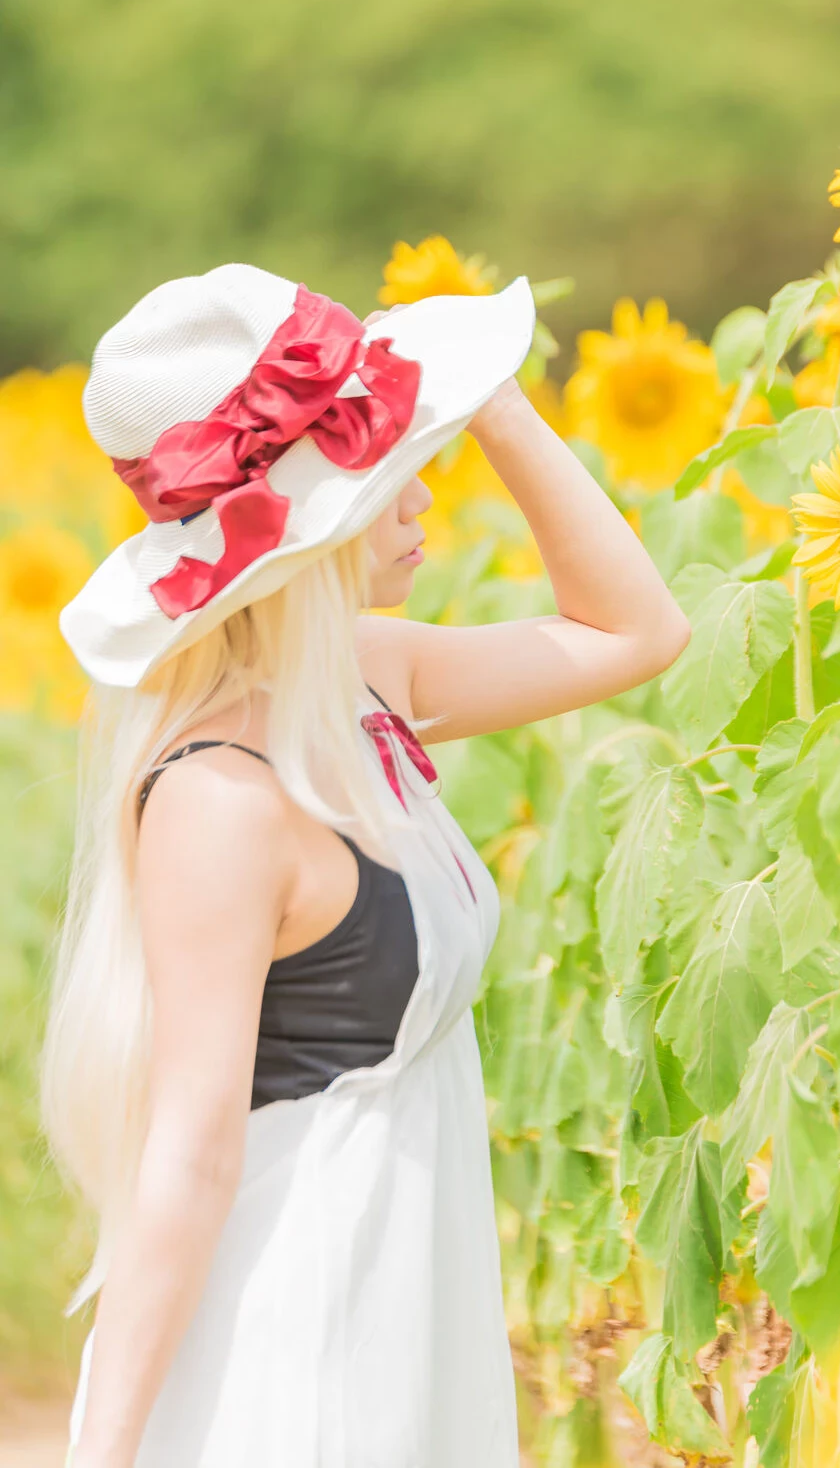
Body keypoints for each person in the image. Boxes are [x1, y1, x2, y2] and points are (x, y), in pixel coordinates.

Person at [44, 261, 690, 1468]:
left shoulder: (365, 685)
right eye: (386, 476)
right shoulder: (220, 797)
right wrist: (105, 1447)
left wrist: (488, 399)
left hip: (406, 1310)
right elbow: (189, 1150)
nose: (420, 502)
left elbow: (637, 631)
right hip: (304, 1333)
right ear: (304, 539)